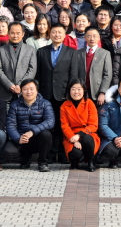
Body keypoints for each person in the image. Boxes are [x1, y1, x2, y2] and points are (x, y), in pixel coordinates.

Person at [36, 23, 85, 162]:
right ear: (50, 34)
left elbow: (74, 75)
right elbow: (38, 75)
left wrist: (69, 94)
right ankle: (50, 155)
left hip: (63, 95)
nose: (57, 35)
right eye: (54, 32)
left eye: (60, 32)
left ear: (64, 35)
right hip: (46, 94)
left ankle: (63, 154)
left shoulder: (72, 52)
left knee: (63, 126)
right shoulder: (41, 51)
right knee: (49, 125)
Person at [4, 79, 55, 172]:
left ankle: (43, 163)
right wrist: (18, 138)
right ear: (21, 91)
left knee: (46, 134)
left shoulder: (45, 104)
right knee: (8, 153)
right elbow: (10, 125)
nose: (28, 92)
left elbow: (50, 121)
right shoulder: (14, 105)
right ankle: (25, 159)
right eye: (25, 89)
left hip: (37, 139)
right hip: (22, 138)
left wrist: (32, 132)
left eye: (31, 89)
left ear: (37, 90)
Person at [59, 78, 100, 171]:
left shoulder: (89, 103)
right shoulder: (64, 106)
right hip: (71, 136)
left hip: (88, 133)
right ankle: (74, 162)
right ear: (69, 91)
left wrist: (79, 135)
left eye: (79, 89)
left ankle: (91, 161)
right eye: (73, 89)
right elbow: (65, 126)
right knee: (75, 153)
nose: (76, 92)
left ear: (84, 90)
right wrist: (73, 139)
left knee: (87, 139)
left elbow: (93, 125)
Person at [0, 23, 37, 102]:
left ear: (23, 34)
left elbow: (32, 69)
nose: (15, 36)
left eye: (18, 33)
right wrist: (9, 85)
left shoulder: (30, 50)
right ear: (8, 34)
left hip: (24, 92)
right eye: (12, 33)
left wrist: (21, 85)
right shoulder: (0, 50)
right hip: (5, 91)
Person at [82, 27, 113, 106]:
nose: (92, 39)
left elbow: (107, 75)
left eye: (94, 36)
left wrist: (102, 92)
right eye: (89, 36)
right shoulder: (78, 53)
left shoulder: (105, 53)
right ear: (85, 38)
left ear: (99, 38)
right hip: (82, 91)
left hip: (97, 92)